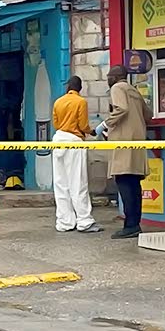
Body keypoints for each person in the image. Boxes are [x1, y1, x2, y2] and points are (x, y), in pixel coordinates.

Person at [104, 65, 153, 239]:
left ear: (116, 77)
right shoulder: (134, 90)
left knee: (124, 183)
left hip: (123, 144)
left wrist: (106, 124)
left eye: (109, 76)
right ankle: (135, 223)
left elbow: (121, 108)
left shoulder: (117, 88)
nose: (108, 79)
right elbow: (148, 114)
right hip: (137, 145)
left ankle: (130, 225)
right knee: (134, 186)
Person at [51, 76, 103, 233]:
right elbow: (82, 125)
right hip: (74, 141)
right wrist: (92, 131)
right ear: (80, 88)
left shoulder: (58, 102)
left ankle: (65, 222)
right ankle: (84, 221)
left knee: (61, 184)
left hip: (58, 140)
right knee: (78, 182)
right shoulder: (81, 102)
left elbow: (56, 124)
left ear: (68, 87)